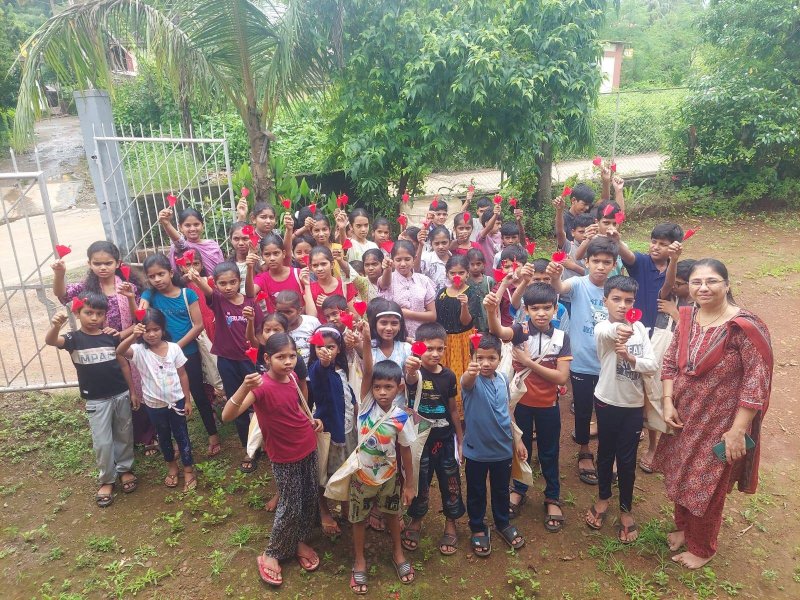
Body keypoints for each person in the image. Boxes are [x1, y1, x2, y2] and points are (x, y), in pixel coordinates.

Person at [652, 259, 772, 569]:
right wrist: (667, 401)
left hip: (721, 423)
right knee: (682, 473)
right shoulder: (688, 317)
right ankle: (684, 529)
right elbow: (670, 362)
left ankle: (703, 548)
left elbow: (755, 382)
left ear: (727, 285)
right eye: (696, 282)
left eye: (712, 281)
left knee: (706, 485)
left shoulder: (744, 327)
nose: (703, 287)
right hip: (683, 414)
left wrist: (738, 430)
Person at [223, 334, 324, 587]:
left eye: (292, 356)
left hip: (307, 445)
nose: (288, 362)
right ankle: (272, 553)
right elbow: (227, 415)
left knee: (308, 498)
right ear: (267, 358)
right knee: (290, 506)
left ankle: (298, 540)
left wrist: (311, 420)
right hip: (284, 455)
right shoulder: (261, 386)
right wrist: (244, 387)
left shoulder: (292, 378)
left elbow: (296, 406)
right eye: (281, 357)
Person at [51, 240, 156, 455]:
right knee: (115, 388)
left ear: (118, 263)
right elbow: (62, 295)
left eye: (108, 263)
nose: (103, 267)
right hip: (101, 348)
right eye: (97, 263)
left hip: (129, 342)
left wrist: (121, 335)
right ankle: (120, 437)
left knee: (137, 387)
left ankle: (146, 436)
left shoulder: (128, 286)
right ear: (89, 264)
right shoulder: (86, 288)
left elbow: (140, 317)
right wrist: (59, 274)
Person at [486, 283, 571, 531]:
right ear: (526, 310)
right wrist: (491, 310)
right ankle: (520, 489)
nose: (541, 313)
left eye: (546, 308)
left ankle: (552, 496)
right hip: (521, 404)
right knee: (521, 449)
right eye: (535, 308)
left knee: (549, 452)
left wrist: (527, 362)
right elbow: (498, 331)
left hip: (548, 405)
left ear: (555, 308)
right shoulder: (520, 331)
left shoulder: (561, 338)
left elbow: (561, 378)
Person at [45, 293, 137, 507]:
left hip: (120, 394)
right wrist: (55, 327)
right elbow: (51, 341)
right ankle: (107, 479)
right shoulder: (73, 339)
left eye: (99, 314)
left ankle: (125, 469)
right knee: (102, 441)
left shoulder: (111, 337)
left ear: (105, 316)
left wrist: (132, 391)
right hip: (96, 401)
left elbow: (124, 363)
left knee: (124, 434)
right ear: (78, 313)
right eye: (88, 313)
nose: (94, 318)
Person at [585, 276, 658, 543]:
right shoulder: (603, 327)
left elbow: (652, 365)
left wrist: (630, 357)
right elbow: (607, 333)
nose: (622, 305)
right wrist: (619, 330)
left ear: (634, 303)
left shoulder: (640, 329)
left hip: (633, 405)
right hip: (606, 401)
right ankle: (603, 498)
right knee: (605, 453)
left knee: (627, 460)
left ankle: (626, 509)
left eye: (628, 301)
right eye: (616, 299)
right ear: (605, 301)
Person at [349, 325, 417, 594]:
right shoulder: (366, 405)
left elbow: (406, 450)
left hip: (389, 477)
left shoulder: (400, 416)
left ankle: (398, 553)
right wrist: (366, 341)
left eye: (388, 387)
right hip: (362, 476)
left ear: (399, 387)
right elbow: (368, 371)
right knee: (358, 518)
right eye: (377, 387)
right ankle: (359, 560)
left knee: (392, 514)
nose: (382, 392)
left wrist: (409, 484)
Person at [547, 237, 617, 486]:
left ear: (614, 264)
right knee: (584, 408)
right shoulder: (578, 284)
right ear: (586, 262)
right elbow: (559, 287)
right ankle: (584, 450)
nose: (600, 266)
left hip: (609, 363)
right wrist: (555, 276)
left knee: (609, 411)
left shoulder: (616, 290)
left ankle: (609, 453)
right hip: (582, 363)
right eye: (596, 261)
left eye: (606, 262)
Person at [139, 253, 221, 457]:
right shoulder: (149, 295)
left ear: (170, 272)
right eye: (152, 276)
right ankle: (173, 442)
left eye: (161, 274)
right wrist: (138, 301)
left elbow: (198, 325)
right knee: (166, 398)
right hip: (160, 357)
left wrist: (174, 348)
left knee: (198, 394)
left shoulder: (187, 294)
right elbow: (140, 314)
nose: (157, 279)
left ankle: (213, 435)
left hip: (188, 353)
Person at [186, 261, 264, 472]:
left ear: (239, 281)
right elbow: (207, 290)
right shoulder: (218, 300)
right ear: (216, 284)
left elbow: (258, 338)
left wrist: (250, 321)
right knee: (236, 402)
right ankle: (249, 449)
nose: (228, 287)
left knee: (258, 402)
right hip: (227, 361)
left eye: (232, 282)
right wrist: (197, 279)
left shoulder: (251, 303)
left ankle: (263, 440)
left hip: (250, 361)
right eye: (222, 283)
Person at [117, 308, 197, 492]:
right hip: (154, 405)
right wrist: (133, 335)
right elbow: (119, 351)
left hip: (177, 401)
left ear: (163, 329)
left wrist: (187, 400)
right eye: (147, 330)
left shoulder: (174, 348)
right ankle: (172, 467)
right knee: (163, 437)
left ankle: (188, 470)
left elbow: (183, 375)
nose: (151, 334)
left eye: (156, 329)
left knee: (182, 435)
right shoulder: (138, 351)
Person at [402, 322, 465, 555]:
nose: (435, 354)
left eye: (440, 349)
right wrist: (411, 370)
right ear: (419, 348)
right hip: (420, 441)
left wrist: (460, 440)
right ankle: (416, 519)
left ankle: (451, 521)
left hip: (446, 440)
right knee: (420, 480)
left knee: (451, 481)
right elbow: (409, 379)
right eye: (429, 349)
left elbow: (453, 410)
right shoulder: (414, 372)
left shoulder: (449, 376)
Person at [461, 333, 526, 556]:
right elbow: (466, 381)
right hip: (476, 452)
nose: (486, 363)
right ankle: (477, 527)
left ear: (500, 358)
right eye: (479, 358)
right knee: (476, 491)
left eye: (491, 358)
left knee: (501, 489)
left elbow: (507, 410)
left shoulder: (502, 379)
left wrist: (518, 440)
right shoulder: (470, 381)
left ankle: (502, 522)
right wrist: (471, 372)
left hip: (502, 450)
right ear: (472, 358)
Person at [308, 325, 358, 536]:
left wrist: (355, 406)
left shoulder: (341, 368)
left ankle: (346, 506)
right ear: (314, 349)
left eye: (330, 347)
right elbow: (320, 371)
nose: (325, 351)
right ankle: (323, 509)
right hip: (330, 431)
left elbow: (347, 392)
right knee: (325, 471)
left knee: (346, 469)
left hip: (348, 428)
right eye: (320, 347)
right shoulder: (317, 369)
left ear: (339, 348)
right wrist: (324, 362)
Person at [434, 255, 475, 418]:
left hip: (464, 339)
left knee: (462, 376)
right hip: (445, 340)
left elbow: (466, 322)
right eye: (452, 273)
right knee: (445, 374)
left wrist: (464, 305)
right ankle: (447, 411)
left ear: (467, 274)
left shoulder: (472, 292)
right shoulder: (442, 294)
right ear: (447, 274)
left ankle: (464, 413)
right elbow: (438, 319)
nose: (457, 276)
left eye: (461, 273)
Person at [378, 240, 437, 339]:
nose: (403, 264)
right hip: (396, 338)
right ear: (392, 260)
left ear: (414, 259)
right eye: (398, 260)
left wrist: (408, 314)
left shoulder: (424, 281)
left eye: (407, 259)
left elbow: (432, 316)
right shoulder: (388, 279)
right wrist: (387, 269)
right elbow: (384, 284)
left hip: (420, 336)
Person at [246, 233, 303, 313]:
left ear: (283, 254)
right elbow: (250, 293)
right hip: (275, 320)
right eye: (267, 254)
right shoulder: (263, 278)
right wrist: (249, 267)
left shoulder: (298, 274)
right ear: (262, 256)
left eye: (276, 253)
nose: (272, 258)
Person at [158, 206, 225, 274]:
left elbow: (222, 269)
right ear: (180, 228)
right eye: (187, 225)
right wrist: (166, 224)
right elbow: (179, 242)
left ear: (202, 225)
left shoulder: (213, 245)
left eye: (196, 224)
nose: (192, 229)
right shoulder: (182, 247)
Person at [302, 246, 357, 322]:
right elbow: (311, 318)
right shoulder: (309, 289)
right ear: (311, 267)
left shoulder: (345, 285)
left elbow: (355, 316)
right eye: (315, 265)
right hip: (320, 329)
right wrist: (306, 285)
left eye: (323, 264)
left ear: (332, 264)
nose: (319, 269)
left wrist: (330, 304)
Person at [275, 290, 320, 364]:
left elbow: (322, 345)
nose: (283, 316)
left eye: (288, 312)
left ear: (299, 310)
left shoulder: (311, 323)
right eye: (279, 312)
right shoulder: (275, 328)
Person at [466, 248, 495, 333]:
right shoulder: (465, 282)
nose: (475, 267)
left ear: (483, 264)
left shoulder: (489, 281)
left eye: (478, 264)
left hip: (487, 320)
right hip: (470, 322)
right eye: (472, 264)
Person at [417, 225, 451, 291]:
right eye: (437, 243)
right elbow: (415, 271)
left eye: (444, 243)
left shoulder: (454, 260)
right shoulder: (426, 258)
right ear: (431, 244)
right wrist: (420, 245)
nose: (441, 247)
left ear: (449, 242)